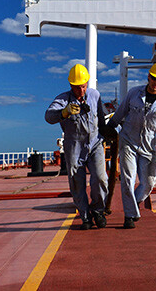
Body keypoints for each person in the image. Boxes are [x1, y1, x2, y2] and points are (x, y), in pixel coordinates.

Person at [107, 62, 156, 229]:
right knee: (128, 179)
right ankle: (130, 215)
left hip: (148, 146)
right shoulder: (134, 93)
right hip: (128, 141)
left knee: (149, 183)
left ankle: (133, 202)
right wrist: (110, 127)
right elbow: (120, 112)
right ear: (148, 76)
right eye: (154, 79)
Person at [45, 64, 109, 230]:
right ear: (70, 85)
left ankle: (98, 210)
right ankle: (85, 216)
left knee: (101, 178)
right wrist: (64, 113)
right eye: (77, 87)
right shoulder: (63, 99)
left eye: (83, 86)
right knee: (77, 182)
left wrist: (109, 134)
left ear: (87, 83)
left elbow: (101, 119)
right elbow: (48, 116)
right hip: (74, 146)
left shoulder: (95, 95)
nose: (81, 90)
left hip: (95, 144)